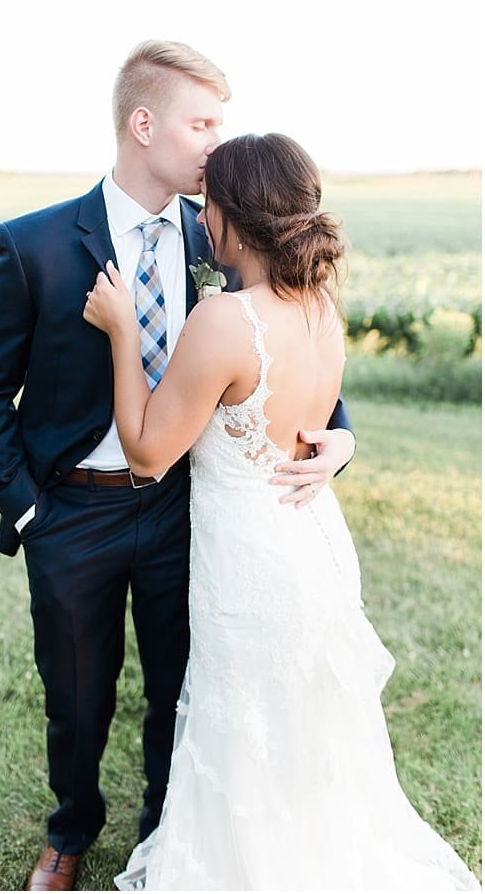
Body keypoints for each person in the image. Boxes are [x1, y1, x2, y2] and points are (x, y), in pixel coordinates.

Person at [0, 41, 357, 891]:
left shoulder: (219, 234)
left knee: (185, 684)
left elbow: (281, 342)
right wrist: (30, 511)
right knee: (75, 695)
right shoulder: (35, 247)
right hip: (73, 510)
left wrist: (342, 434)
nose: (218, 142)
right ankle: (70, 832)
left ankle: (168, 829)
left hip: (186, 506)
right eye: (202, 122)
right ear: (145, 124)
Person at [83, 131, 480, 890]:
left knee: (247, 725)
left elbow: (146, 452)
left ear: (236, 218)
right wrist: (345, 446)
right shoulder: (321, 309)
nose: (200, 220)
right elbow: (323, 418)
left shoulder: (226, 321)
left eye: (210, 207)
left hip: (251, 564)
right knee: (303, 725)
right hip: (313, 542)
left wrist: (124, 329)